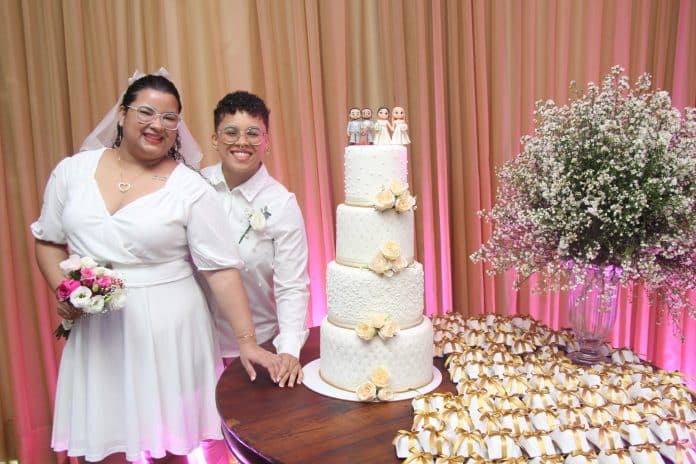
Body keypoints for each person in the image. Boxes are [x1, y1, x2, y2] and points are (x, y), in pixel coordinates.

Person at [31, 72, 282, 464]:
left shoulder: (190, 188)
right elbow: (47, 240)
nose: (157, 125)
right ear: (121, 114)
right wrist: (66, 290)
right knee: (103, 444)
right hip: (99, 333)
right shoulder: (72, 172)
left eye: (169, 118)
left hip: (170, 331)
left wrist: (247, 341)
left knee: (169, 447)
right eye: (146, 112)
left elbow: (220, 270)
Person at [201, 90, 310, 388]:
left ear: (266, 142)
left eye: (252, 133)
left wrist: (289, 350)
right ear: (215, 139)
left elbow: (292, 284)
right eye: (231, 132)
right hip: (195, 344)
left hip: (257, 351)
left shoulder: (281, 203)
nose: (242, 142)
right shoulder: (194, 187)